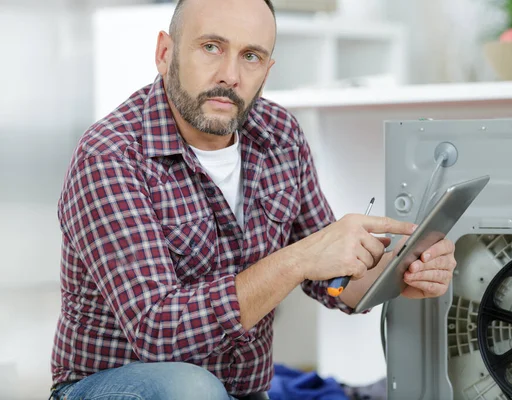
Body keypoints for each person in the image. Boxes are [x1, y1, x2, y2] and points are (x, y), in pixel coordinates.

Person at [49, 0, 457, 399]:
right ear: (165, 53)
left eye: (251, 56)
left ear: (267, 70)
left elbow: (330, 282)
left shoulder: (279, 134)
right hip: (113, 386)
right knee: (191, 388)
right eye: (211, 47)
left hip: (241, 390)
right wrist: (298, 259)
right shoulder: (110, 157)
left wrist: (402, 273)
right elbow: (160, 334)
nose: (230, 74)